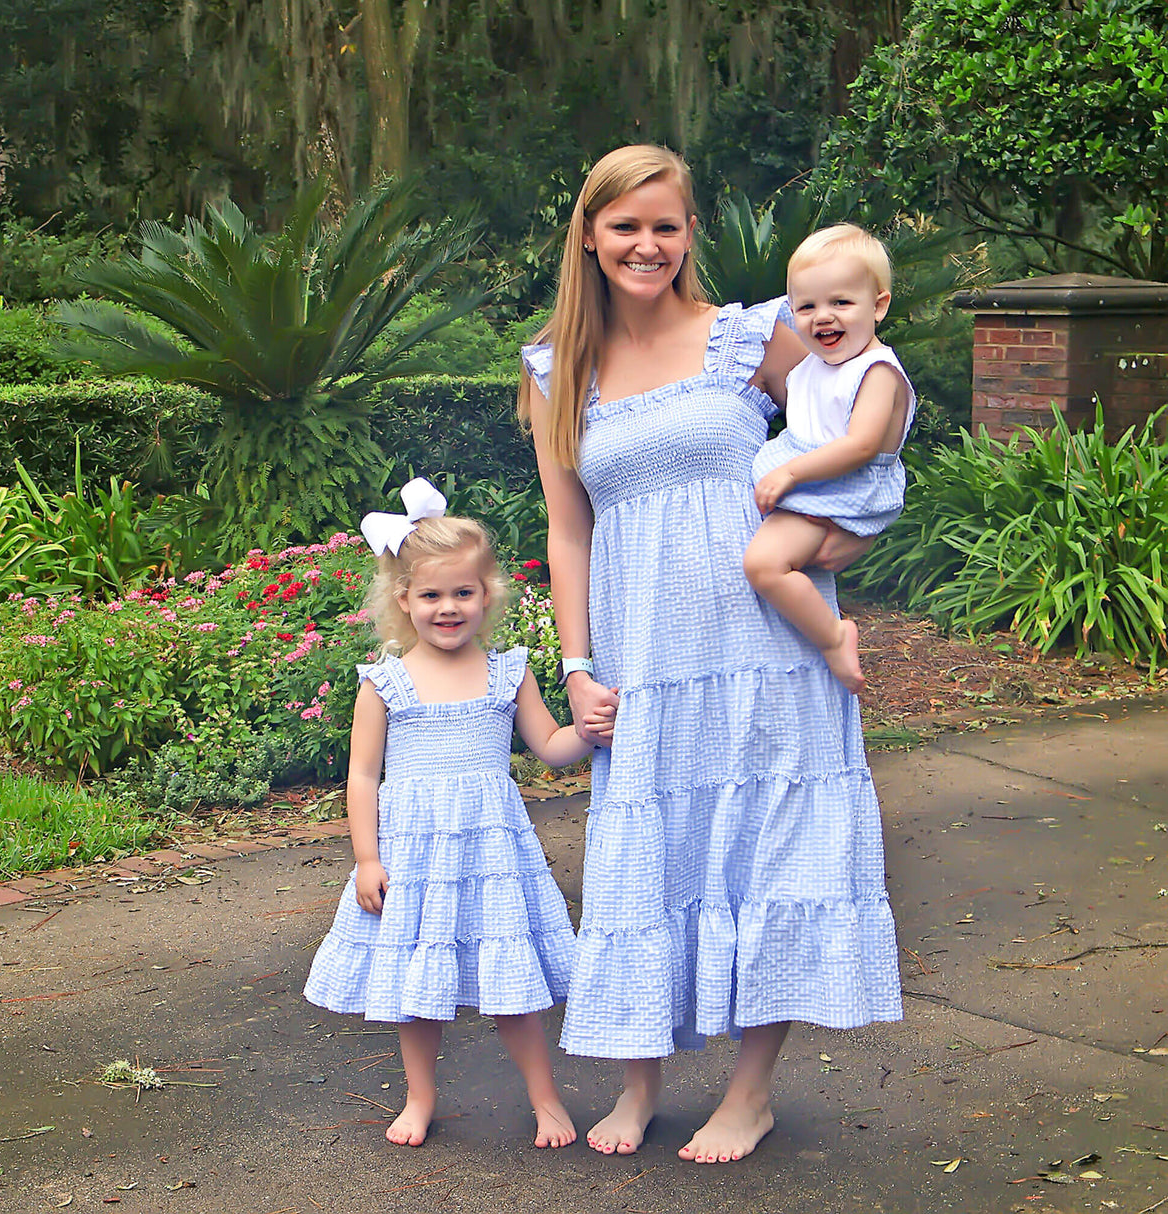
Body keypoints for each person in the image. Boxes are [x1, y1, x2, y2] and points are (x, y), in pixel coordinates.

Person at [519, 146, 902, 1165]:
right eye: (625, 226)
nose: (646, 245)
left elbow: (861, 419)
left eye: (666, 225)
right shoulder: (555, 366)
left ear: (688, 234)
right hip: (642, 654)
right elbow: (568, 529)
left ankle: (748, 1092)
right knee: (643, 863)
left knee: (767, 850)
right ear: (589, 236)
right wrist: (575, 664)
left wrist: (847, 538)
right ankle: (637, 1082)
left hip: (768, 648)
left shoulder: (749, 337)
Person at [303, 478, 610, 1149]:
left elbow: (551, 746)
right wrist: (367, 859)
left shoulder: (508, 673)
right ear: (403, 599)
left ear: (487, 594)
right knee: (419, 990)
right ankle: (420, 1097)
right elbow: (362, 777)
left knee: (511, 986)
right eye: (432, 595)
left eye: (463, 592)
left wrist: (586, 730)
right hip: (415, 857)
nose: (449, 607)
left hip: (490, 857)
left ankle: (545, 1097)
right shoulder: (383, 682)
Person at [743, 224, 916, 695]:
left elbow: (861, 445)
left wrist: (792, 471)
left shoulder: (876, 371)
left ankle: (834, 635)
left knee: (764, 566)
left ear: (878, 305)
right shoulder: (814, 365)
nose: (824, 317)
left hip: (843, 485)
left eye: (841, 303)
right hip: (816, 477)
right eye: (807, 306)